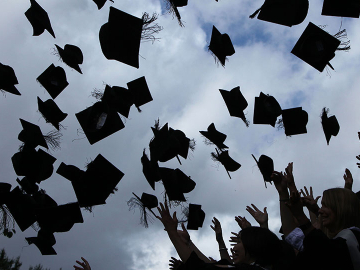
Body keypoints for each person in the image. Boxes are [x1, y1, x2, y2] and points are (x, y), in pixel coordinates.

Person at [285, 188, 360, 270]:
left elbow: (322, 249)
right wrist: (314, 210)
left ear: (341, 208)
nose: (320, 210)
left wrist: (300, 216)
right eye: (321, 206)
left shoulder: (350, 238)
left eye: (326, 205)